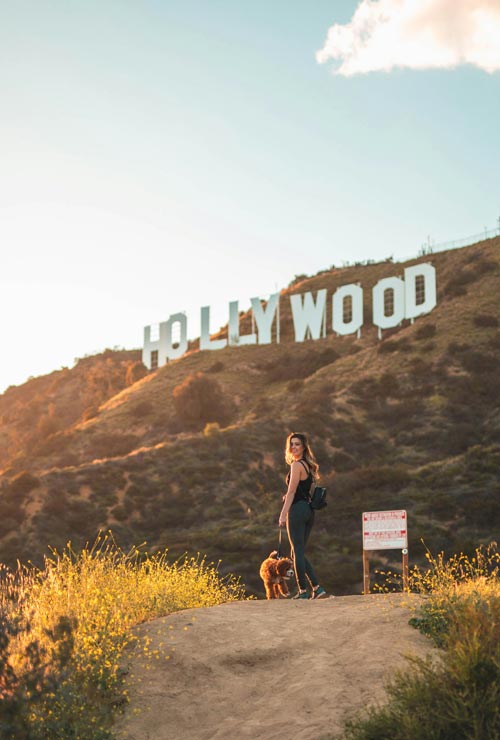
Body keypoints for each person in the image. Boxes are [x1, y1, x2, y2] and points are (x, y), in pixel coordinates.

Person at [278, 432, 327, 600]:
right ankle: (317, 588)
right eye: (291, 444)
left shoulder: (297, 465)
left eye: (297, 444)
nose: (293, 447)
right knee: (297, 552)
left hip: (297, 511)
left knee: (297, 551)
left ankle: (303, 591)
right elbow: (301, 490)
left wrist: (283, 514)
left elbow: (292, 492)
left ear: (304, 447)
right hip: (308, 511)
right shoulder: (308, 466)